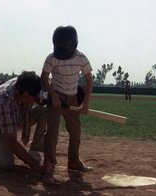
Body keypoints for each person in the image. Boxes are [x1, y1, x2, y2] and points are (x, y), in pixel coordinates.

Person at [41, 25, 93, 183]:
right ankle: (49, 166)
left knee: (76, 134)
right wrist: (54, 96)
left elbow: (89, 80)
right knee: (52, 134)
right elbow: (44, 78)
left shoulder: (81, 58)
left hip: (72, 99)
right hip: (55, 99)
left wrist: (85, 103)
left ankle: (74, 163)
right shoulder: (52, 58)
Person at [0, 71, 47, 172]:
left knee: (46, 111)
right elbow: (11, 139)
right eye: (28, 98)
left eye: (33, 98)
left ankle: (34, 151)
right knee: (5, 163)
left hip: (18, 117)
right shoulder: (4, 100)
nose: (31, 101)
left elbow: (42, 100)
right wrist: (33, 164)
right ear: (18, 92)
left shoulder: (33, 87)